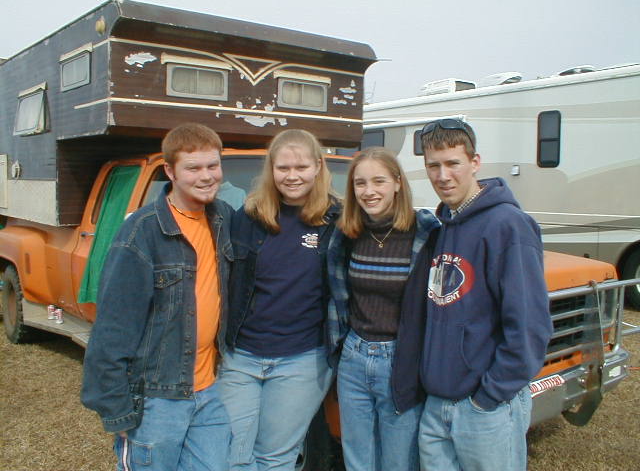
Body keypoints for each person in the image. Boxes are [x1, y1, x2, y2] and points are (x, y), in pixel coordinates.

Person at [81, 123, 234, 471]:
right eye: (193, 168)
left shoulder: (222, 218)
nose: (207, 176)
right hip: (156, 397)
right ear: (170, 171)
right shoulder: (141, 234)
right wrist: (118, 412)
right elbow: (112, 330)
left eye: (213, 165)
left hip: (209, 390)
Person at [417, 118, 553, 471]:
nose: (443, 175)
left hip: (484, 408)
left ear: (475, 162)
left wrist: (488, 398)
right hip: (437, 404)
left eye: (453, 163)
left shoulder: (507, 225)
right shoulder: (442, 226)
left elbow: (529, 327)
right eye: (433, 165)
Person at [217, 129, 340, 470]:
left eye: (301, 167)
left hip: (302, 360)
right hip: (242, 355)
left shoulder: (338, 221)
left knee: (276, 458)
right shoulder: (250, 217)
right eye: (283, 167)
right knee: (232, 455)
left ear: (317, 166)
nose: (292, 176)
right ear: (271, 169)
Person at [326, 147, 440, 471]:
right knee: (357, 457)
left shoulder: (425, 234)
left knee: (399, 459)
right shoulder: (347, 233)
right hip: (353, 356)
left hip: (400, 361)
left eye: (378, 181)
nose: (369, 191)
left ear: (397, 183)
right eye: (360, 183)